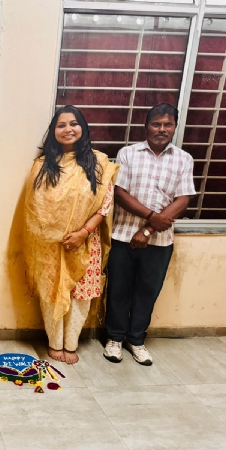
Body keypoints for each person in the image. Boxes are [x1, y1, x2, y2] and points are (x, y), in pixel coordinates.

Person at [23, 105, 118, 365]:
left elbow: (105, 203)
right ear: (53, 132)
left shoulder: (98, 162)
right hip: (50, 245)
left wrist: (83, 233)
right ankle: (55, 342)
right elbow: (34, 208)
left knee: (80, 295)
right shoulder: (43, 165)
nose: (68, 129)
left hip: (86, 241)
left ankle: (71, 343)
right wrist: (54, 235)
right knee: (52, 292)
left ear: (83, 128)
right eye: (61, 125)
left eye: (73, 124)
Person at [103, 103, 196, 366]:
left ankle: (137, 340)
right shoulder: (128, 154)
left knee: (147, 291)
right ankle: (115, 339)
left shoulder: (183, 159)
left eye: (168, 124)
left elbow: (183, 199)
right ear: (146, 126)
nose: (162, 129)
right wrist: (151, 217)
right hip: (123, 236)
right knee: (119, 289)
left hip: (160, 240)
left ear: (175, 127)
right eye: (156, 124)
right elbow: (119, 193)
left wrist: (148, 228)